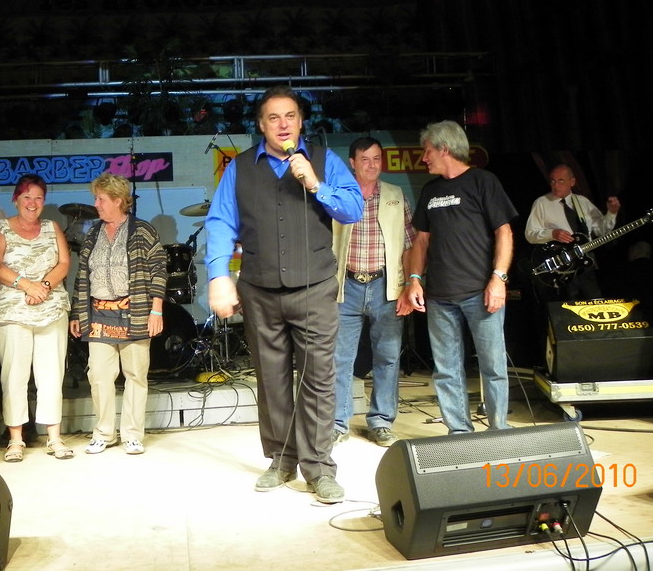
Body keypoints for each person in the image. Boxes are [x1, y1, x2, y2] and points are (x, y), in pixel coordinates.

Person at [205, 85, 363, 504]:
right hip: (259, 289)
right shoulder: (240, 167)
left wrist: (315, 184)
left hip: (314, 288)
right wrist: (218, 275)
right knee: (271, 380)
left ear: (301, 121)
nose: (282, 124)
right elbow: (220, 222)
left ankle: (319, 468)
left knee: (317, 380)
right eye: (273, 118)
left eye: (290, 116)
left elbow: (353, 209)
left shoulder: (323, 161)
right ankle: (280, 459)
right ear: (261, 125)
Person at [400, 121, 517, 434]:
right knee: (446, 370)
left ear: (444, 149)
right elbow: (421, 241)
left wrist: (499, 278)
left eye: (427, 151)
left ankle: (499, 431)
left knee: (493, 366)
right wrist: (414, 279)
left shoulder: (483, 181)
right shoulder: (430, 190)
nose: (424, 158)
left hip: (480, 292)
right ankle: (459, 433)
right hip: (439, 297)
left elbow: (504, 232)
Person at [69, 173, 166, 455]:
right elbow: (82, 276)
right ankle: (104, 433)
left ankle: (132, 435)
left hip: (134, 312)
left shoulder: (143, 231)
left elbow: (159, 271)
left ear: (118, 201)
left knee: (135, 375)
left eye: (101, 199)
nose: (96, 204)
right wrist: (76, 312)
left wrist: (156, 310)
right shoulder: (93, 233)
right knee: (99, 375)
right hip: (99, 314)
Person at [332, 137, 416, 448]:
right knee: (340, 358)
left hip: (385, 287)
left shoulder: (395, 195)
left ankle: (381, 422)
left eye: (377, 159)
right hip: (346, 286)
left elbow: (409, 244)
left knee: (388, 357)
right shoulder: (339, 194)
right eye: (365, 159)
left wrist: (409, 284)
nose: (372, 165)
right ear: (352, 163)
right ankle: (338, 423)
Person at [0, 174, 73, 462]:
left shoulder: (52, 227)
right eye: (27, 197)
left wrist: (44, 286)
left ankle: (54, 437)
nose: (32, 203)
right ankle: (16, 439)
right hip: (12, 311)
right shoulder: (1, 228)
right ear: (16, 199)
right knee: (14, 376)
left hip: (51, 309)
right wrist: (27, 285)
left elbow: (64, 262)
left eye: (38, 197)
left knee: (52, 375)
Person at [525, 164, 620, 300]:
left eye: (561, 181)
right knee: (567, 305)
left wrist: (612, 213)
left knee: (595, 302)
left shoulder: (582, 202)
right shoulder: (542, 203)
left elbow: (601, 230)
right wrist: (552, 234)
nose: (555, 185)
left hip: (585, 264)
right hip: (562, 266)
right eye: (553, 181)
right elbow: (530, 234)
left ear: (572, 182)